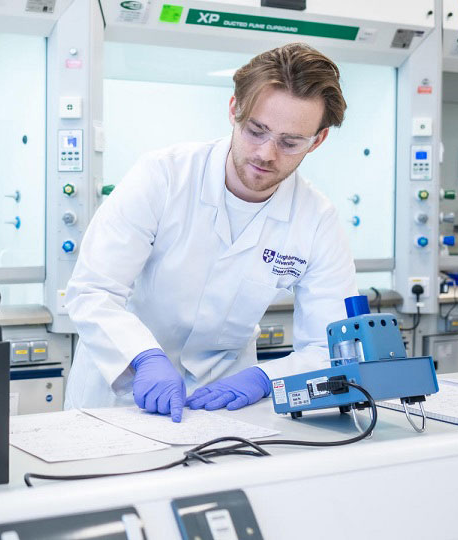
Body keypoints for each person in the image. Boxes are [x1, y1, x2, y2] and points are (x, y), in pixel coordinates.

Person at [65, 43, 358, 421]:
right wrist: (145, 356)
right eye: (256, 130)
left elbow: (331, 344)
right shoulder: (163, 176)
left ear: (317, 140)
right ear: (234, 110)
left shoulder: (316, 219)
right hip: (121, 390)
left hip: (226, 400)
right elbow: (93, 290)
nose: (266, 154)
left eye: (290, 142)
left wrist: (266, 378)